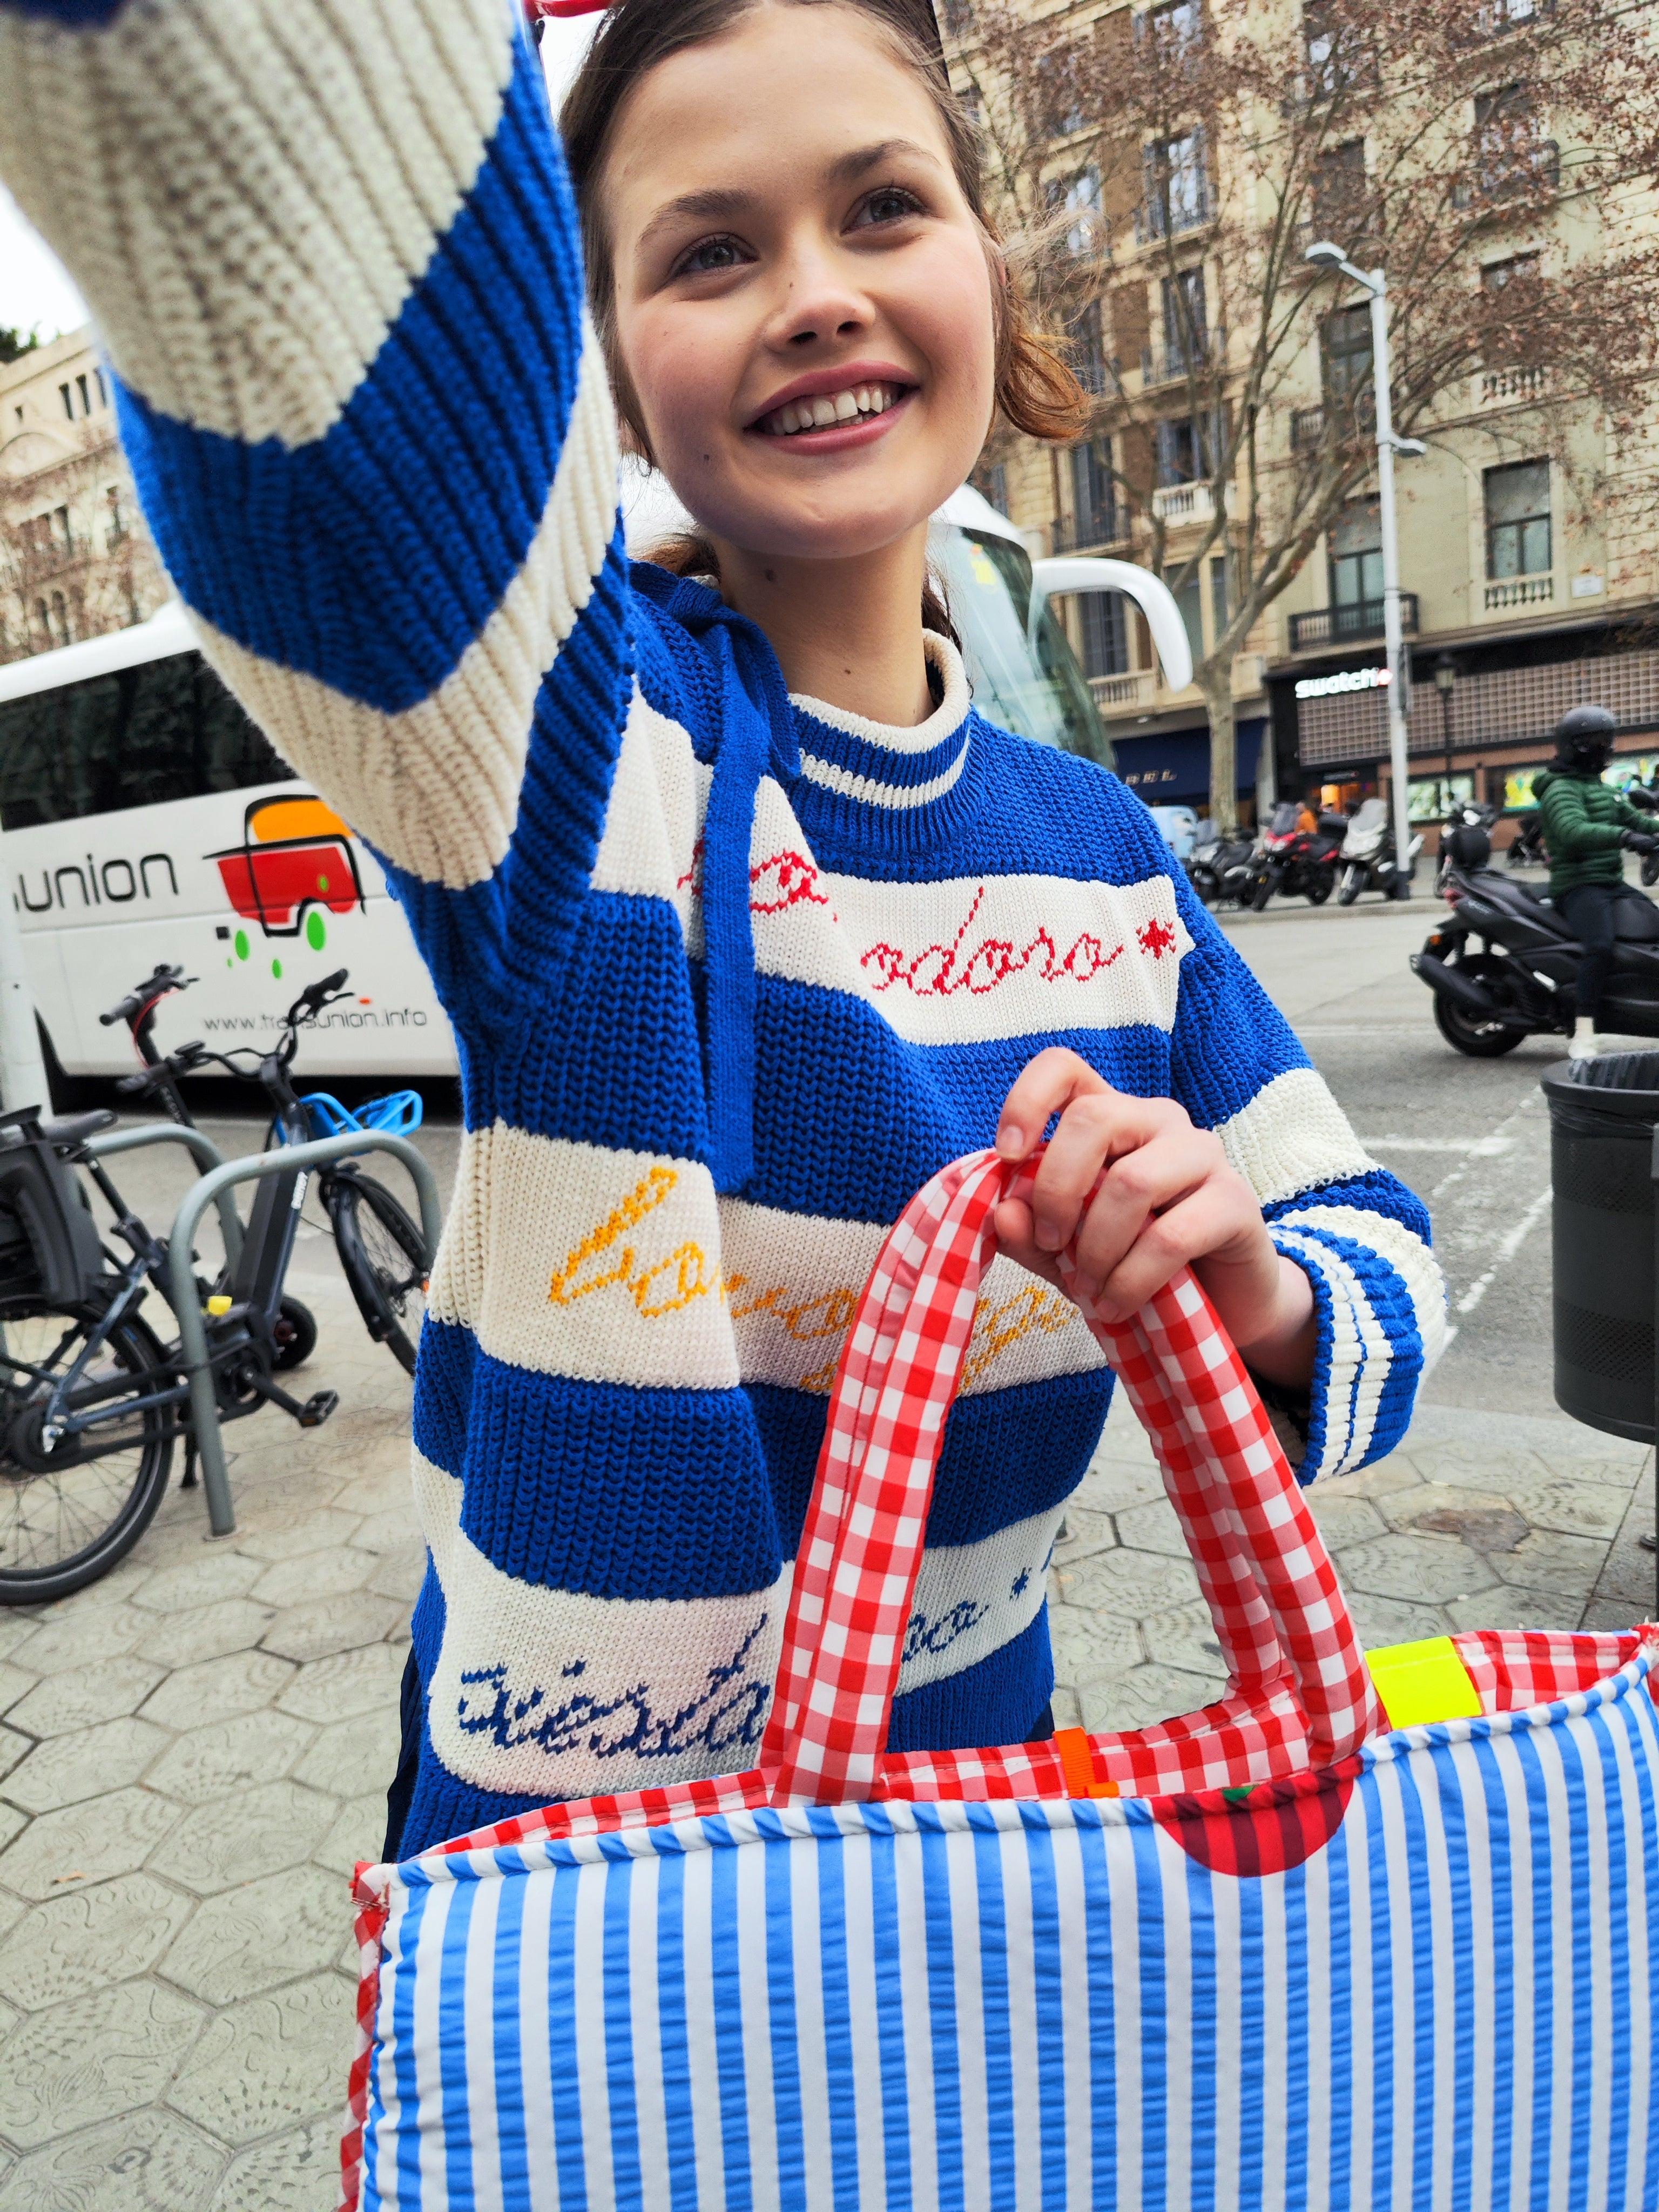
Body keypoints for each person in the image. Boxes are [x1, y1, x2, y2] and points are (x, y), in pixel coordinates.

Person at [0, 0, 1445, 1860]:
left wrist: (1251, 1285)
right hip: (591, 1882)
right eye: (710, 250)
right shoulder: (568, 766)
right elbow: (335, 442)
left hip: (985, 1826)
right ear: (600, 367)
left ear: (990, 273)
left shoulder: (1101, 846)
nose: (817, 293)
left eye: (884, 210)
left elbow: (1375, 1261)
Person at [1533, 705, 1659, 1058]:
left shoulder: (1603, 790)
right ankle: (1585, 1029)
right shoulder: (1560, 790)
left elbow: (1642, 823)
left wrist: (1647, 831)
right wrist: (1624, 838)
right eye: (1596, 741)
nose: (1604, 747)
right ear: (1575, 746)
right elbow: (1573, 832)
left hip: (1610, 884)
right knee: (1600, 945)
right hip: (1578, 886)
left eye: (1607, 739)